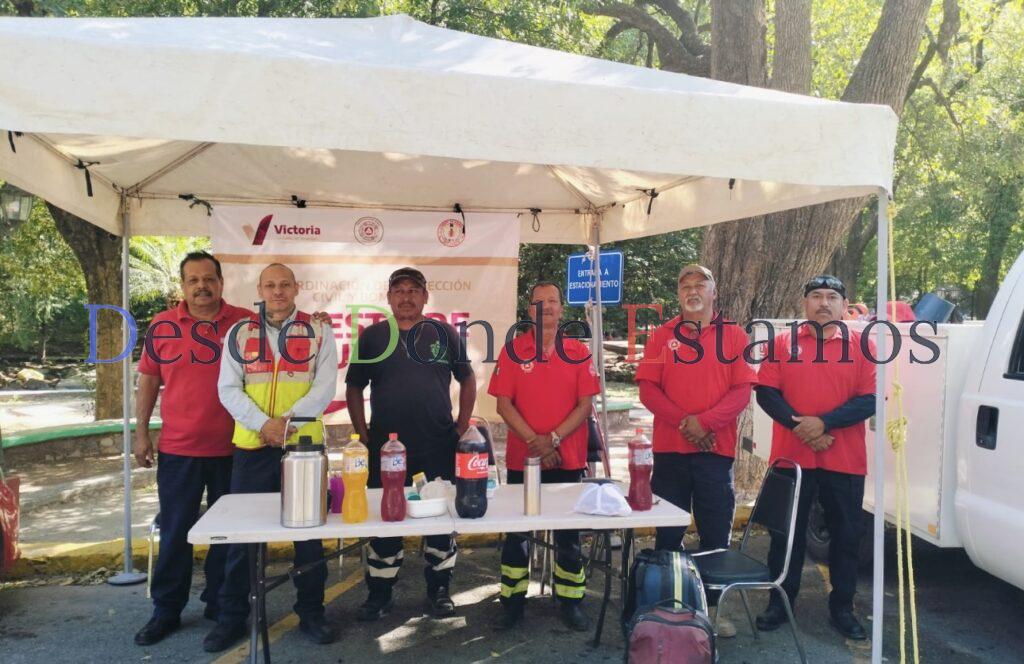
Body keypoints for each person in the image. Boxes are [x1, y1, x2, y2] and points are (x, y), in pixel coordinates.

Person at [204, 263, 338, 652]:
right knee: (242, 539)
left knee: (308, 538)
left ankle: (311, 612)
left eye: (284, 284)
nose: (277, 291)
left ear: (296, 288)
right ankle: (232, 617)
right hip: (253, 446)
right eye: (270, 285)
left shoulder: (319, 331)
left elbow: (324, 386)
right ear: (260, 290)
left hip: (302, 447)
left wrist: (287, 424)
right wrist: (264, 424)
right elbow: (228, 388)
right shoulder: (240, 333)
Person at [133, 252, 253, 646]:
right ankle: (166, 610)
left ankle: (221, 603)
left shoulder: (245, 323)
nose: (202, 286)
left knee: (229, 535)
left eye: (208, 279)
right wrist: (141, 433)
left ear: (221, 282)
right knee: (175, 532)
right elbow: (148, 380)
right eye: (193, 280)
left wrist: (316, 321)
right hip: (179, 449)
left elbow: (285, 343)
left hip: (235, 449)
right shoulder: (163, 325)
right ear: (183, 286)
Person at [345, 267, 476, 620]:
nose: (406, 297)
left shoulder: (445, 333)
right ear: (389, 297)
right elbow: (354, 386)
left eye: (413, 290)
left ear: (425, 296)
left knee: (440, 522)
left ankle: (439, 590)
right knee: (385, 522)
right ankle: (380, 593)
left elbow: (467, 379)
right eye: (399, 290)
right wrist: (362, 433)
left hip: (438, 446)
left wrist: (461, 426)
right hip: (386, 450)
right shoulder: (372, 337)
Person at [634, 264, 757, 638]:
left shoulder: (734, 335)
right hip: (671, 451)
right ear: (678, 294)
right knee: (668, 535)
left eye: (700, 284)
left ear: (713, 292)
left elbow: (742, 391)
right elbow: (648, 389)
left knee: (715, 536)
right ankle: (665, 610)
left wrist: (705, 423)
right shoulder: (661, 336)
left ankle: (713, 613)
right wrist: (687, 424)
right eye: (685, 285)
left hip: (715, 452)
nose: (692, 290)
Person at [754, 274, 876, 641]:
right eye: (816, 296)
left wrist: (823, 424)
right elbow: (766, 393)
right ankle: (779, 602)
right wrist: (803, 429)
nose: (824, 302)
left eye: (831, 297)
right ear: (804, 303)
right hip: (791, 458)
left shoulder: (863, 346)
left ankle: (842, 608)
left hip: (845, 459)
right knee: (785, 535)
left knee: (847, 537)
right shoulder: (781, 343)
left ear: (844, 305)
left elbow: (869, 399)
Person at [488, 281, 600, 632]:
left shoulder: (578, 352)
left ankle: (570, 601)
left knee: (568, 535)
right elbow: (503, 405)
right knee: (518, 534)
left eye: (553, 301)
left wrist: (552, 440)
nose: (547, 307)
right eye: (540, 301)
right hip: (524, 460)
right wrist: (536, 443)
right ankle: (512, 601)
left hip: (567, 458)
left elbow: (585, 406)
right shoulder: (512, 351)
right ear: (529, 310)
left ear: (562, 309)